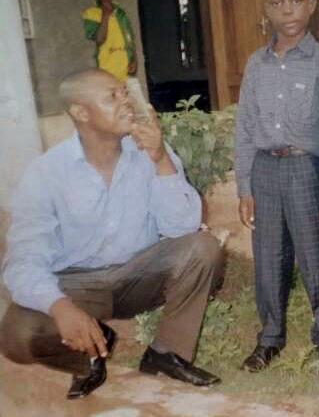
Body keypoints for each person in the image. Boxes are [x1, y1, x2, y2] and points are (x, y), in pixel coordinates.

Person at [0, 69, 223, 400]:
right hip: (76, 285)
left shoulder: (148, 151)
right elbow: (23, 260)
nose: (126, 103)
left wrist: (161, 160)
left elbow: (183, 227)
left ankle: (167, 353)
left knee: (202, 248)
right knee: (15, 336)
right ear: (81, 112)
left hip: (138, 274)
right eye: (111, 97)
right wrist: (60, 307)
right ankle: (89, 356)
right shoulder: (46, 173)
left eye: (123, 93)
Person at [235, 0, 319, 381]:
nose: (289, 10)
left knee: (315, 259)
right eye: (278, 2)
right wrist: (244, 184)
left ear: (313, 4)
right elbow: (245, 128)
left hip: (305, 169)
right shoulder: (255, 65)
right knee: (267, 260)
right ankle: (270, 338)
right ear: (266, 9)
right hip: (265, 169)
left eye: (297, 0)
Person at [83, 0, 138, 82]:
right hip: (108, 74)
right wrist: (105, 15)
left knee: (138, 100)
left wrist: (134, 59)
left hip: (127, 73)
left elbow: (130, 39)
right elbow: (99, 39)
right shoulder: (91, 14)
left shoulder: (120, 13)